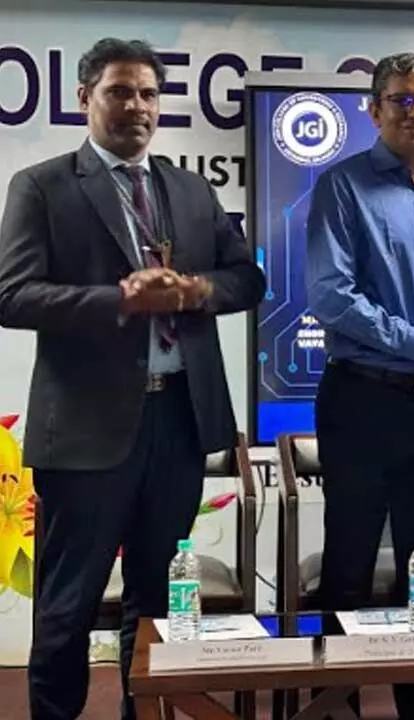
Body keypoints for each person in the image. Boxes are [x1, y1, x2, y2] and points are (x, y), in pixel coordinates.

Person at [0, 37, 265, 720]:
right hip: (86, 433)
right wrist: (122, 300)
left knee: (158, 599)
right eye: (120, 91)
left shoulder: (189, 188)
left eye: (148, 93)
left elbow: (247, 279)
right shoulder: (43, 186)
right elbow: (13, 296)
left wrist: (194, 289)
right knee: (68, 605)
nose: (137, 107)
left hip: (178, 422)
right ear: (85, 98)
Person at [305, 52, 414, 719]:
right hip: (363, 401)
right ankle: (336, 707)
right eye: (402, 100)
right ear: (375, 108)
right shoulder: (341, 186)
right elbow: (331, 297)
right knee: (349, 566)